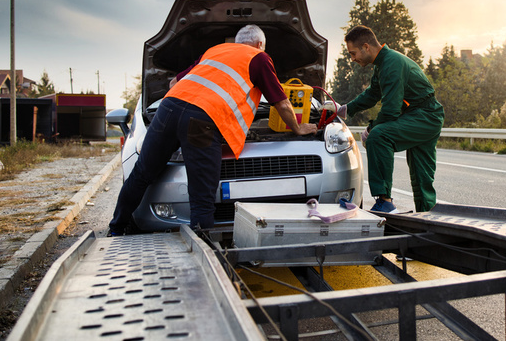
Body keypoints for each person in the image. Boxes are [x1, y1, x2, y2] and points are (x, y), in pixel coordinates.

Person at [108, 25, 317, 235]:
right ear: (260, 44)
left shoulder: (214, 51)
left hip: (168, 109)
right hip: (201, 120)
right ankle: (202, 250)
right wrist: (298, 128)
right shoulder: (259, 57)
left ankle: (116, 229)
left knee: (141, 174)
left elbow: (173, 82)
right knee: (201, 197)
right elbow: (281, 103)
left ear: (236, 42)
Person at [336, 25, 444, 213]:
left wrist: (370, 129)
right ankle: (428, 215)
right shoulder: (383, 64)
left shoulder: (391, 64)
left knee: (379, 136)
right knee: (421, 174)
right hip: (423, 115)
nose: (352, 59)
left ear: (366, 47)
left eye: (353, 53)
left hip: (425, 115)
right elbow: (372, 94)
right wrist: (345, 109)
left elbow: (391, 110)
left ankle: (385, 201)